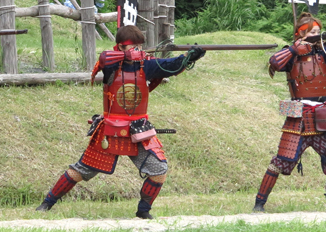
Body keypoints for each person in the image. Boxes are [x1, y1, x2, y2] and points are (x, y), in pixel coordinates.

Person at [35, 25, 205, 219]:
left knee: (159, 170)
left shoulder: (145, 64)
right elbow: (104, 60)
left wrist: (189, 58)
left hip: (138, 129)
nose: (137, 51)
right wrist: (125, 57)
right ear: (120, 47)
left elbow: (168, 65)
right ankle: (46, 204)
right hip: (110, 130)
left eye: (139, 47)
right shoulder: (110, 64)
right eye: (133, 47)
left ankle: (143, 211)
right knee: (79, 171)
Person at [253, 13, 326, 214]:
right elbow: (275, 62)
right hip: (299, 115)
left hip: (324, 113)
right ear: (301, 34)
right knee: (281, 162)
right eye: (312, 32)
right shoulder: (291, 53)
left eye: (318, 32)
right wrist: (294, 48)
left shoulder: (325, 52)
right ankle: (259, 204)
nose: (316, 35)